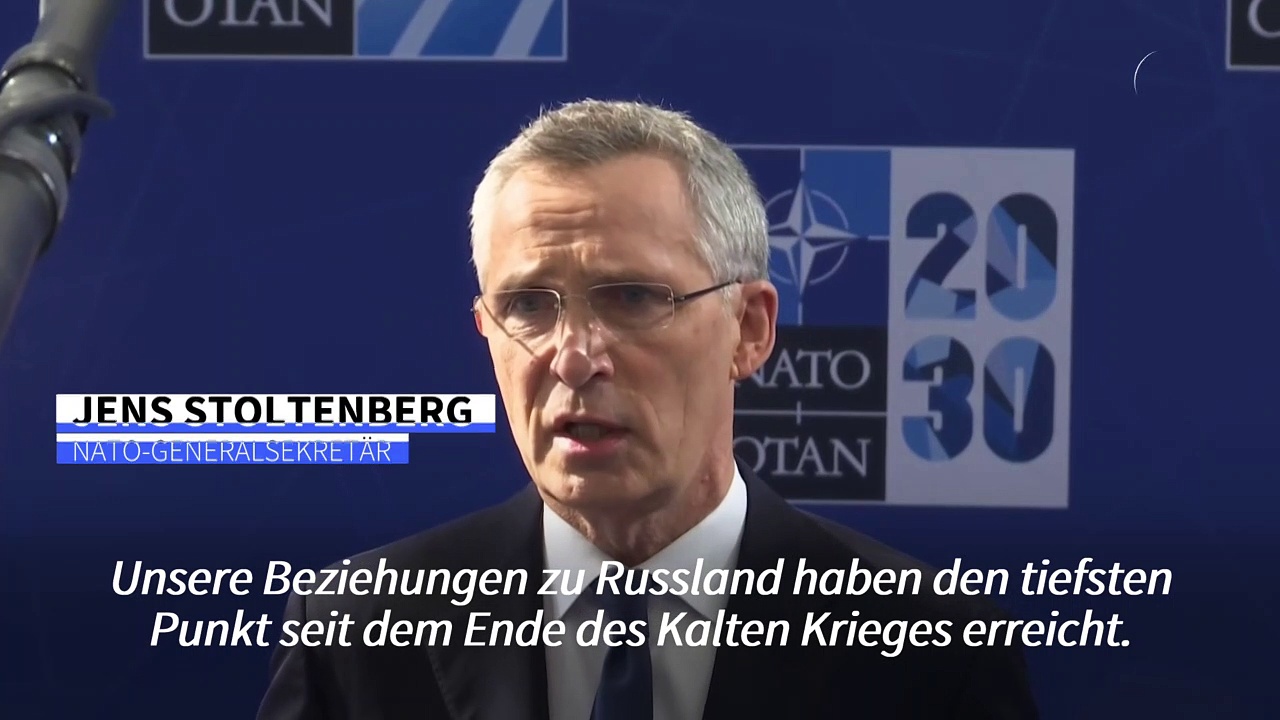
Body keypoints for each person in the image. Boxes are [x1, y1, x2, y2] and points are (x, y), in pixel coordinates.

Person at [256, 99, 1039, 720]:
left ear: (749, 329)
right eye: (528, 305)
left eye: (631, 297)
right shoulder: (359, 629)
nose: (572, 356)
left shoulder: (933, 649)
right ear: (486, 331)